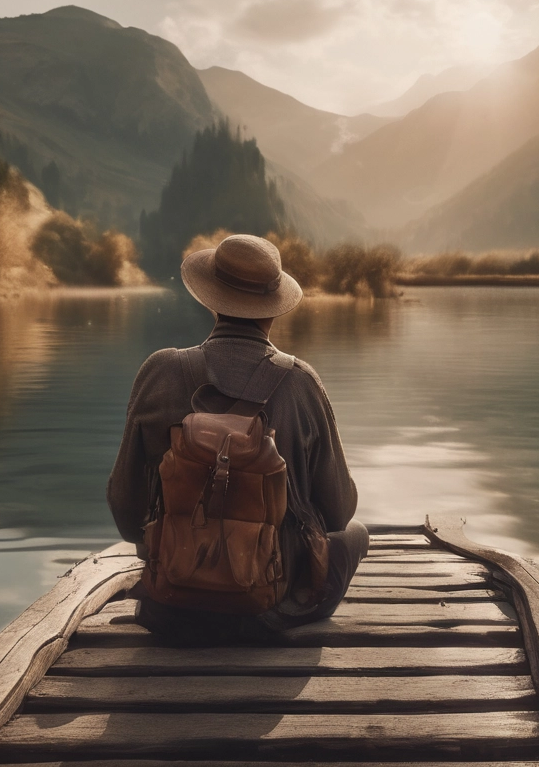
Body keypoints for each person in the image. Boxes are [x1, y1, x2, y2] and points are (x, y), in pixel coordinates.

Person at [107, 233, 368, 643]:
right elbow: (338, 512)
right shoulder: (301, 383)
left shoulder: (158, 372)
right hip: (269, 610)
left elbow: (126, 512)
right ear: (274, 308)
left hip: (171, 604)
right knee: (356, 535)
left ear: (212, 300)